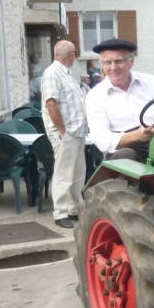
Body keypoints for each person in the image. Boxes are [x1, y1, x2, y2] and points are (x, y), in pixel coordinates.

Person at [85, 38, 154, 164]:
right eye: (107, 63)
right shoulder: (95, 96)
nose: (113, 67)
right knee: (126, 156)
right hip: (125, 150)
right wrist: (138, 135)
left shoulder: (150, 82)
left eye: (118, 61)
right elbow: (102, 141)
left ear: (131, 62)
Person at [41, 40, 88, 229]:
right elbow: (51, 103)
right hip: (66, 133)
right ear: (70, 54)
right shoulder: (53, 73)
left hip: (77, 131)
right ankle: (60, 213)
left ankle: (74, 209)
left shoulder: (66, 74)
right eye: (75, 53)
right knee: (63, 174)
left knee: (77, 174)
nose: (76, 57)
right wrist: (62, 131)